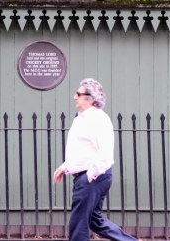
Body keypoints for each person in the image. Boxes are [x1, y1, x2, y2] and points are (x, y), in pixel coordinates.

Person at [53, 78, 138, 241]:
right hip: (92, 176)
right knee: (95, 221)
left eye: (78, 94)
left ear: (90, 99)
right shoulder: (82, 118)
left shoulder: (97, 119)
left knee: (78, 224)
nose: (74, 97)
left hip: (93, 177)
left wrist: (89, 176)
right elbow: (82, 150)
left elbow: (105, 152)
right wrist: (66, 167)